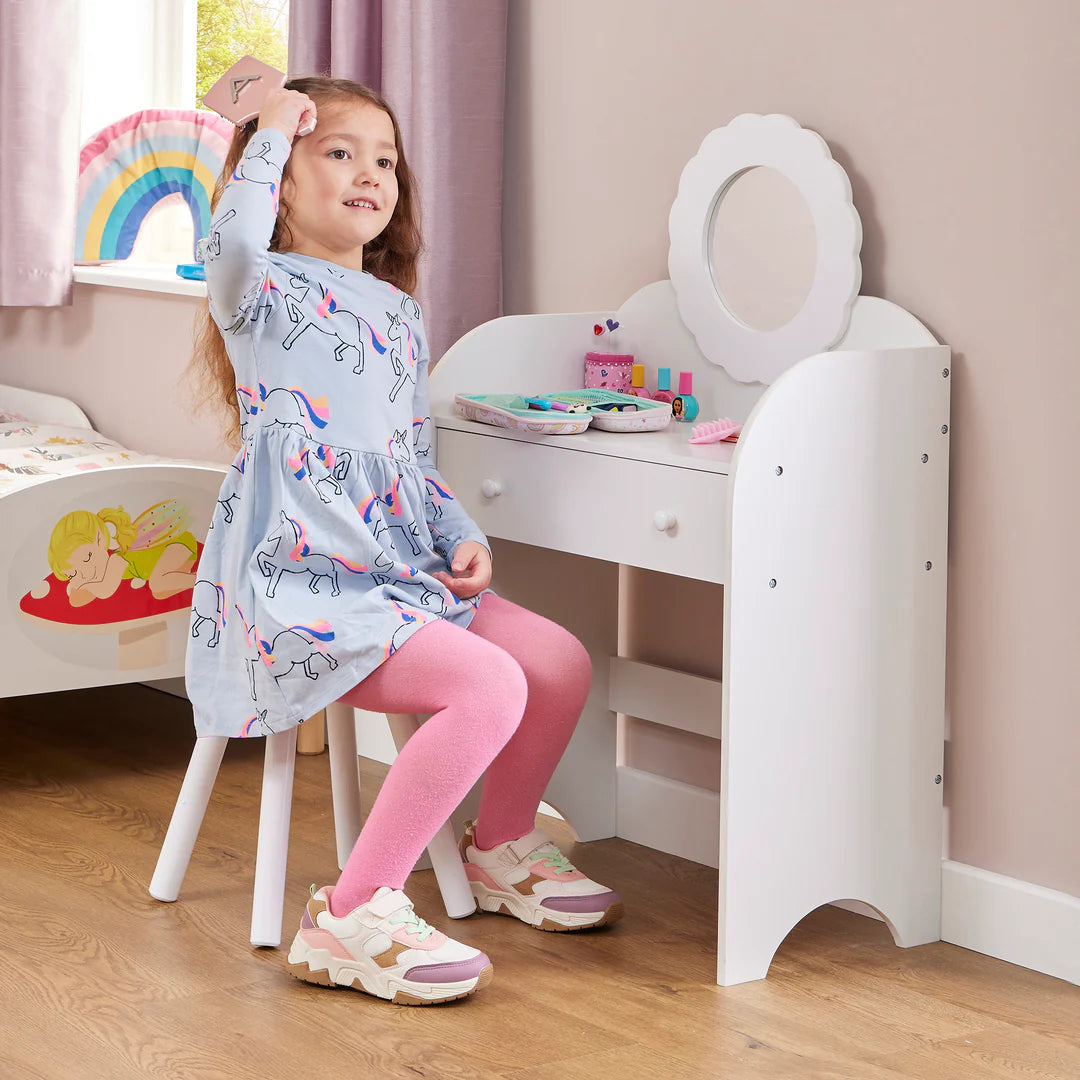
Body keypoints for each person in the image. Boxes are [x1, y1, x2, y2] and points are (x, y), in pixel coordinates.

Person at [187, 76, 623, 1006]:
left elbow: (409, 457)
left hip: (401, 568)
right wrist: (267, 129)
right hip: (302, 585)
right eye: (337, 151)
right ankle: (351, 912)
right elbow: (225, 245)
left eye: (384, 159)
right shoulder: (258, 289)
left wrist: (461, 531)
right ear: (278, 177)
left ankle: (503, 844)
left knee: (556, 661)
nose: (369, 174)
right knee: (488, 684)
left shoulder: (394, 312)